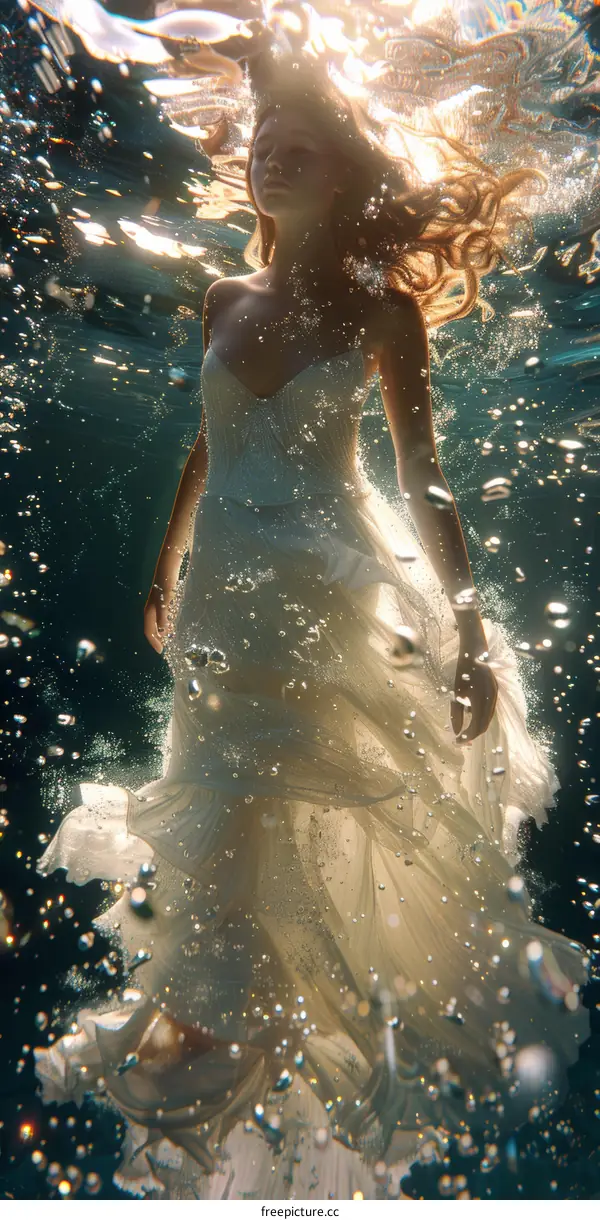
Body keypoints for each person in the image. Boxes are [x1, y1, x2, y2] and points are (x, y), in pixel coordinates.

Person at [34, 59, 589, 1200]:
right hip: (230, 608)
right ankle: (224, 1136)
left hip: (333, 602)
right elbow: (204, 441)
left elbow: (424, 480)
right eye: (262, 138)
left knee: (317, 854)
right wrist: (169, 560)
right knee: (226, 851)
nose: (271, 151)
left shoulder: (385, 313)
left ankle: (295, 1126)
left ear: (348, 173)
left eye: (301, 140)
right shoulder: (222, 301)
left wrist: (474, 631)